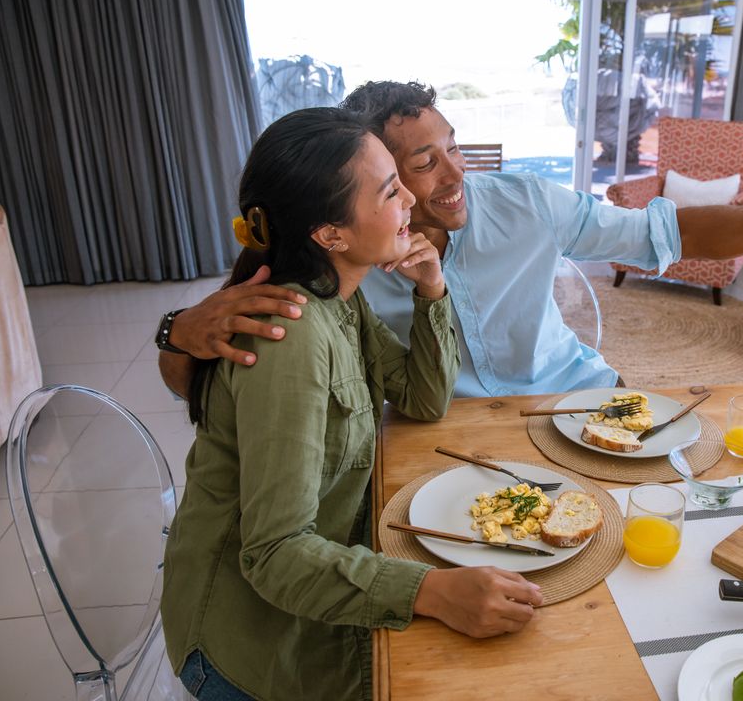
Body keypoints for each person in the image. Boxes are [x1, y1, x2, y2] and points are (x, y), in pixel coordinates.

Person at [156, 82, 743, 398]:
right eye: (420, 164)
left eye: (453, 146)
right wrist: (180, 331)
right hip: (440, 426)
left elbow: (667, 229)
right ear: (373, 179)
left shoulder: (528, 202)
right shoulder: (345, 253)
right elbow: (202, 374)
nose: (455, 175)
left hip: (573, 394)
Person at [160, 107, 543, 701]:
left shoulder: (339, 298)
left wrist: (431, 289)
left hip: (313, 588)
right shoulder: (292, 335)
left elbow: (422, 399)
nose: (411, 202)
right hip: (254, 648)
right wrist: (431, 592)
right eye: (392, 190)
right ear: (330, 234)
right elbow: (276, 555)